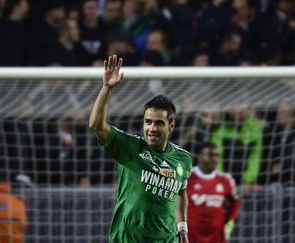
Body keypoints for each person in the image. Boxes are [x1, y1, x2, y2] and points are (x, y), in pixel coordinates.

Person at [89, 54, 192, 243]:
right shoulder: (131, 147)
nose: (152, 128)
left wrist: (182, 226)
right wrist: (107, 88)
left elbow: (180, 191)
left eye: (159, 123)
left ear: (171, 125)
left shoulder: (183, 159)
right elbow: (96, 125)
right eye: (148, 122)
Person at [187, 143, 241, 243]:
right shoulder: (187, 177)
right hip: (191, 236)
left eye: (216, 155)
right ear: (200, 157)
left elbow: (235, 202)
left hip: (217, 236)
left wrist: (230, 223)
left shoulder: (226, 180)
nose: (214, 159)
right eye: (210, 155)